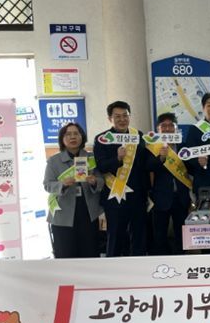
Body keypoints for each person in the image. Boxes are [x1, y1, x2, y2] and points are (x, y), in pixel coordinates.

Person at [93, 101, 149, 257]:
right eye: (117, 116)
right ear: (110, 118)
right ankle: (114, 267)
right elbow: (101, 166)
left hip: (137, 195)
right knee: (115, 236)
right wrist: (117, 159)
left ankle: (138, 266)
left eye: (125, 115)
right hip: (114, 195)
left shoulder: (138, 136)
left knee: (139, 235)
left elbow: (144, 163)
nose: (122, 119)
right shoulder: (102, 139)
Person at [43, 122, 104, 258]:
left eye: (76, 133)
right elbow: (47, 185)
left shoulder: (91, 158)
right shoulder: (54, 161)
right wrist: (62, 184)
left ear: (82, 137)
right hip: (62, 215)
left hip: (88, 212)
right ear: (62, 139)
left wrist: (95, 181)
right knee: (66, 254)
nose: (72, 137)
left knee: (90, 253)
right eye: (68, 134)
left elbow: (101, 180)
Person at [146, 113, 192, 255]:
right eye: (163, 126)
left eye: (171, 125)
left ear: (176, 129)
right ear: (158, 129)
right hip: (160, 198)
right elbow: (148, 166)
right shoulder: (152, 148)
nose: (167, 129)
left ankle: (181, 261)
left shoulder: (184, 147)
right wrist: (161, 158)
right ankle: (162, 262)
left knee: (181, 235)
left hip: (181, 197)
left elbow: (191, 168)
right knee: (159, 236)